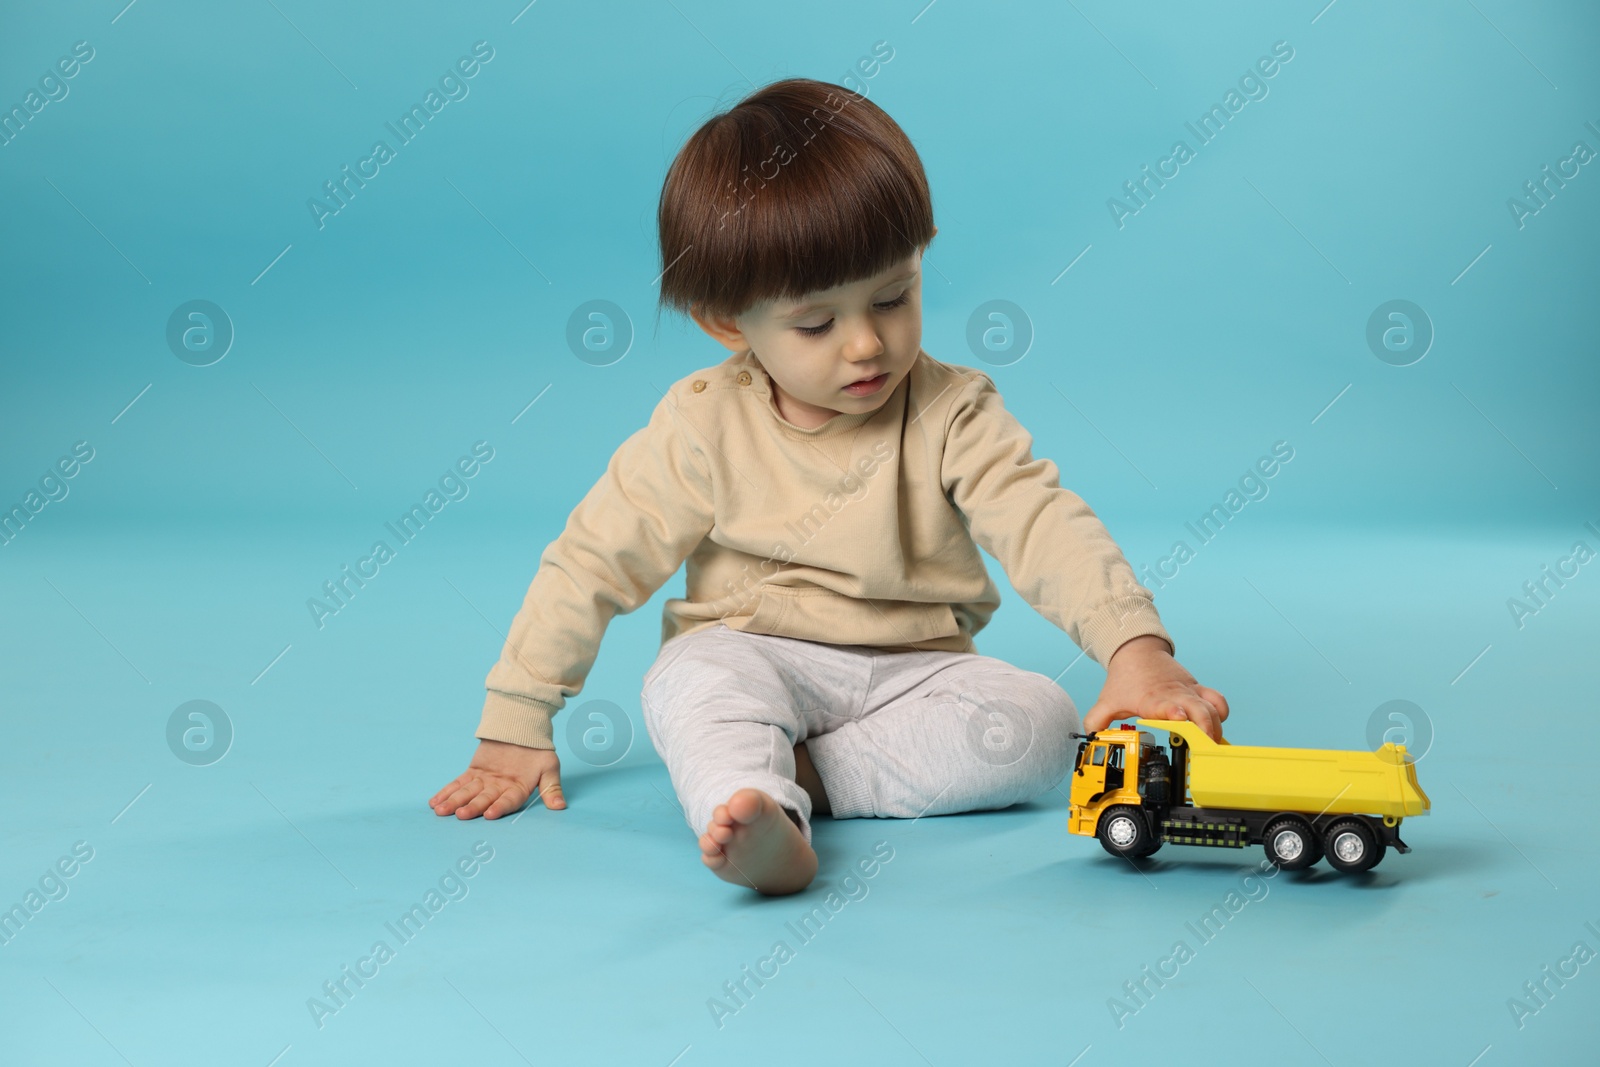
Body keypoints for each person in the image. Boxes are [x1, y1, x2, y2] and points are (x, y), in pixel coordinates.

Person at [430, 77, 1228, 895]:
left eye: (895, 296)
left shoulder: (952, 411)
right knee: (692, 685)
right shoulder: (703, 424)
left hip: (918, 669)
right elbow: (592, 563)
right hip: (754, 649)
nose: (867, 345)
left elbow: (1043, 523)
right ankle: (757, 809)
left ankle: (801, 782)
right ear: (730, 321)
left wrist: (1138, 654)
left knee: (1044, 727)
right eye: (817, 323)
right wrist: (516, 721)